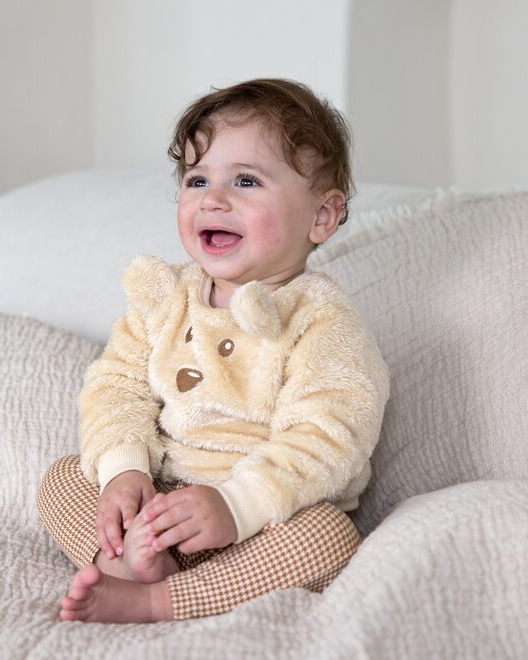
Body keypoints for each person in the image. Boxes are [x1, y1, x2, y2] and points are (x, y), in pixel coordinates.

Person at [37, 78, 390, 623]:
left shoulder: (322, 319)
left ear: (321, 216)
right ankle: (131, 560)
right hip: (157, 500)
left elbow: (330, 435)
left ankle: (159, 597)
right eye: (197, 179)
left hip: (261, 516)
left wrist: (236, 505)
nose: (213, 199)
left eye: (246, 180)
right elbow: (116, 387)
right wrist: (125, 473)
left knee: (330, 539)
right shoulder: (164, 298)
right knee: (62, 478)